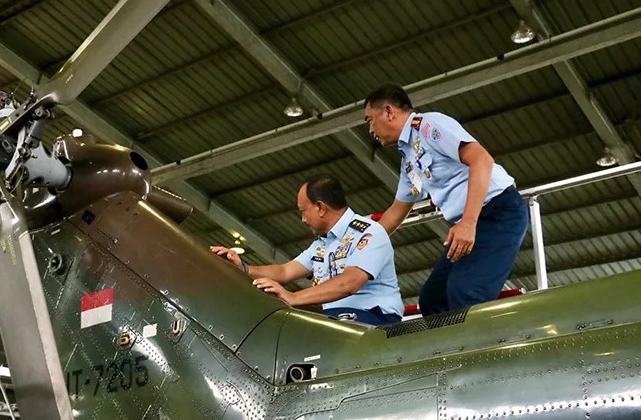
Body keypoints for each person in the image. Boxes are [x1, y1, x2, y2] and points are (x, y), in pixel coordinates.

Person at [363, 83, 529, 316]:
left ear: (389, 111)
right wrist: (358, 249)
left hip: (497, 212)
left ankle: (485, 341)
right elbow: (396, 212)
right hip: (473, 221)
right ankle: (450, 341)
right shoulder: (408, 157)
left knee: (466, 291)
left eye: (370, 120)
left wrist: (468, 223)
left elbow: (481, 159)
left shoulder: (429, 125)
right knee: (433, 299)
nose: (370, 130)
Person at [210, 174, 404, 325]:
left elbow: (350, 282)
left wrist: (292, 297)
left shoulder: (369, 233)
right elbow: (285, 271)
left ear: (320, 207)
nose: (303, 219)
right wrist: (243, 267)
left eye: (303, 211)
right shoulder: (322, 244)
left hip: (375, 319)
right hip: (338, 319)